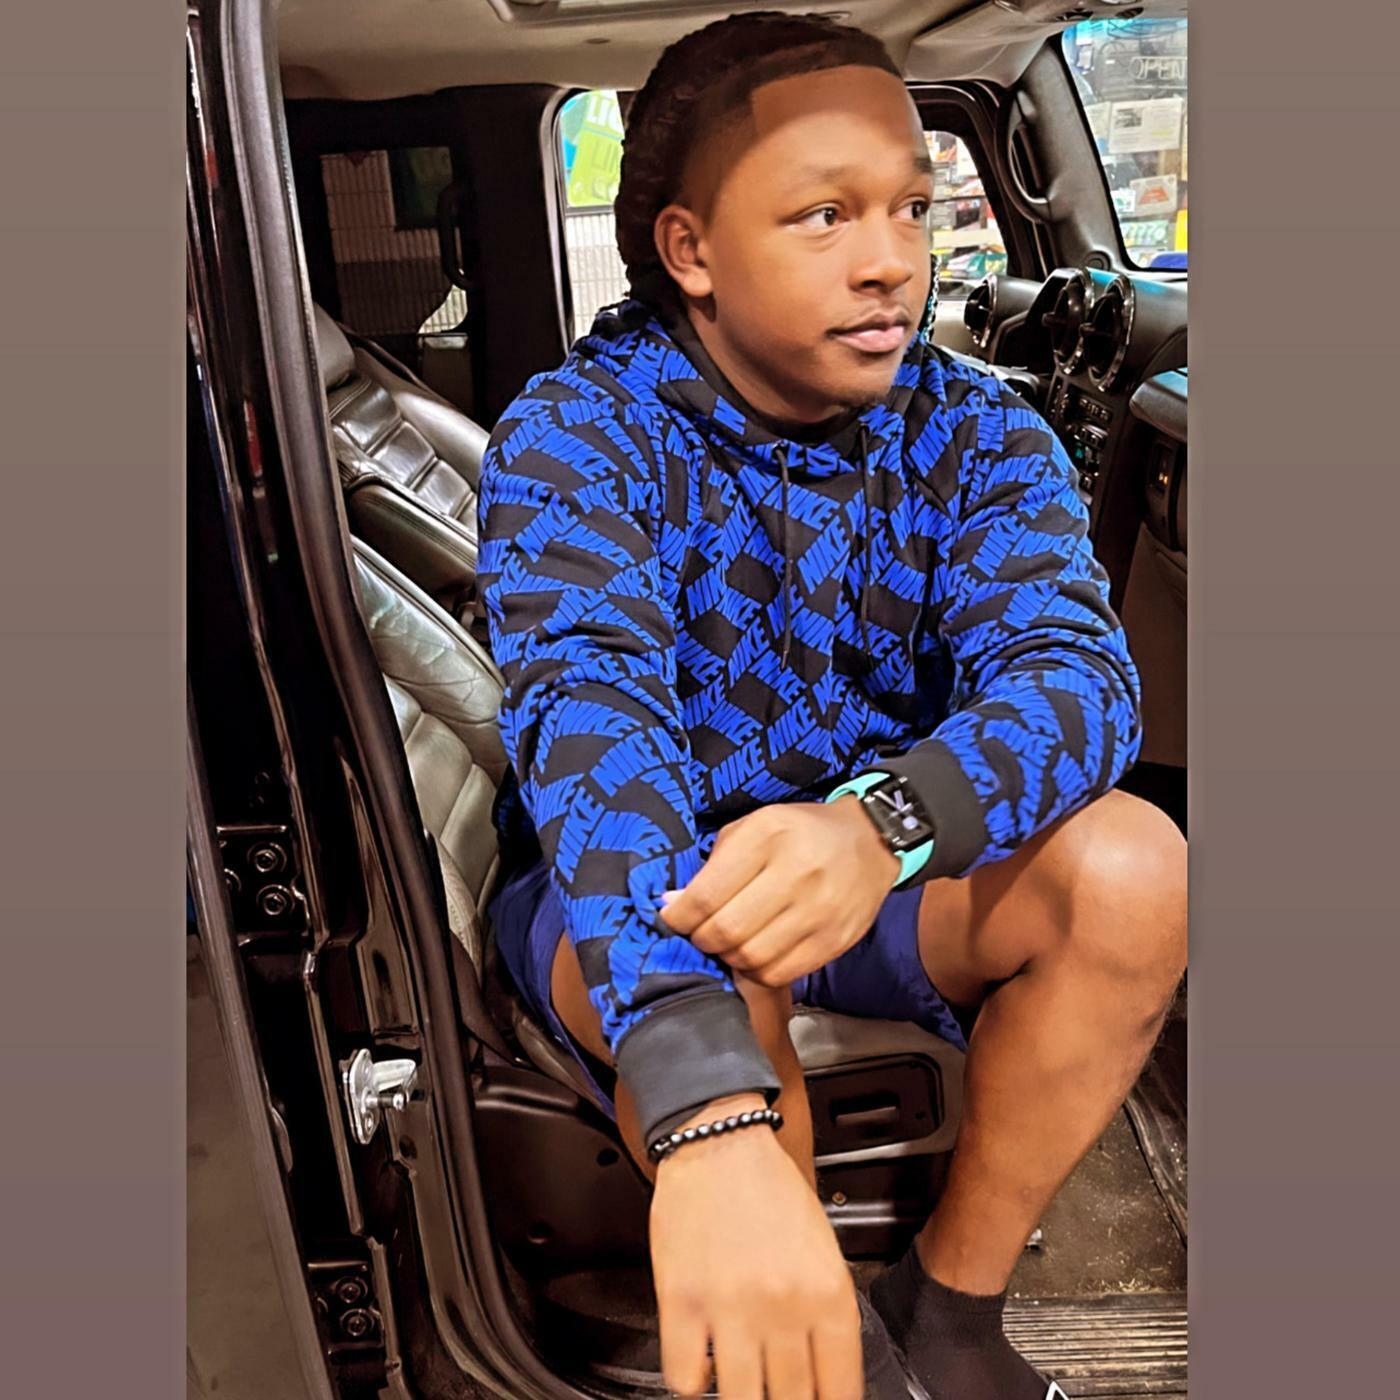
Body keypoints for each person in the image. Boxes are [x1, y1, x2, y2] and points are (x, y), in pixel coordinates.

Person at [478, 12, 1187, 1399]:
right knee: (717, 935)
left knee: (1136, 870)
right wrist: (703, 1109)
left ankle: (950, 1317)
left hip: (883, 866)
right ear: (690, 249)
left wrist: (883, 826)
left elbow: (1080, 679)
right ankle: (822, 1357)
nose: (892, 261)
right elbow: (593, 729)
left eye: (912, 208)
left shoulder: (976, 429)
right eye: (824, 215)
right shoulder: (577, 434)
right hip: (641, 888)